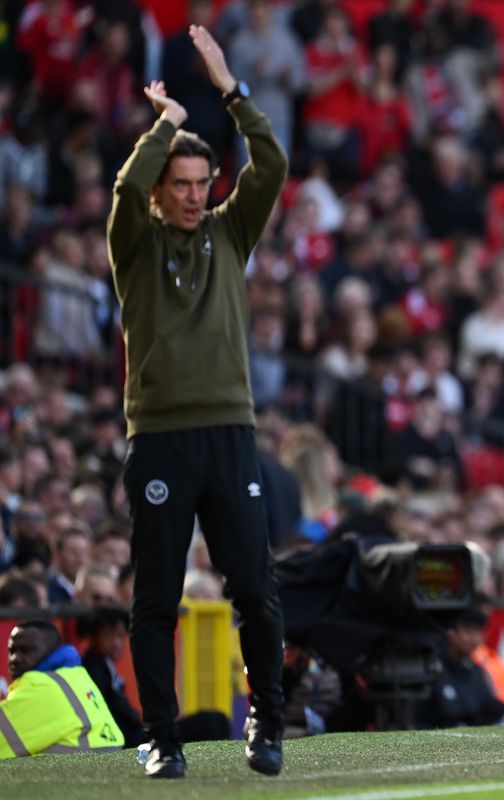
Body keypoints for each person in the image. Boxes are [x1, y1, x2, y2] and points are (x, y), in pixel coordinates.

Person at [106, 25, 288, 778]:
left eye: (199, 183)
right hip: (161, 440)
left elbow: (271, 163)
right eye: (177, 184)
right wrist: (167, 123)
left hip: (228, 434)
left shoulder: (229, 232)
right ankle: (162, 738)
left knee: (255, 588)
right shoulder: (136, 246)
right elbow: (123, 191)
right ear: (160, 189)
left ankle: (269, 727)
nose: (191, 195)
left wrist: (228, 90)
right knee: (156, 599)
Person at [79, 607, 231, 748]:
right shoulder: (92, 670)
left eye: (120, 636)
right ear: (92, 638)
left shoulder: (105, 666)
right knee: (211, 723)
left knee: (216, 721)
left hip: (138, 734)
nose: (116, 643)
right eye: (108, 636)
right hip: (130, 740)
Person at [1, 620, 125, 759]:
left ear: (51, 651)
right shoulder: (76, 674)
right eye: (12, 651)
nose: (15, 658)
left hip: (78, 768)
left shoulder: (39, 684)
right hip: (106, 758)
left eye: (26, 650)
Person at [413, 606, 504, 729]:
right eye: (469, 631)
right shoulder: (429, 668)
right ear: (450, 630)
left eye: (479, 632)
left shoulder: (474, 670)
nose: (475, 640)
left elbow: (490, 707)